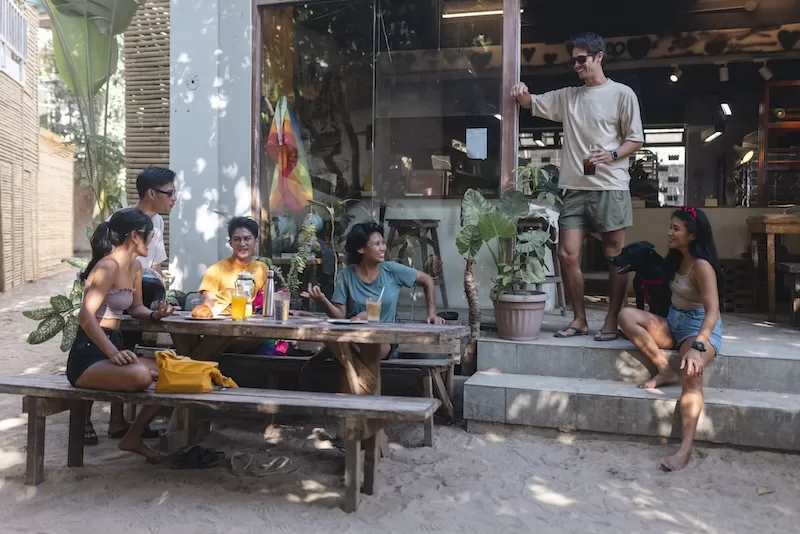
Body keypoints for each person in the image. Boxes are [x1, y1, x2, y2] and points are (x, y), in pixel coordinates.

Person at [511, 32, 644, 342]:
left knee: (616, 256)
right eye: (573, 60)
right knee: (567, 254)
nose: (576, 65)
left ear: (599, 57)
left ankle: (613, 319)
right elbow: (532, 102)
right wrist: (521, 91)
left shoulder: (622, 94)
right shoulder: (569, 96)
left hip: (611, 186)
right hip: (573, 187)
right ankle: (580, 319)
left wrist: (611, 155)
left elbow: (635, 139)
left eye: (581, 59)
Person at [618, 207, 723, 471]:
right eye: (671, 227)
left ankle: (685, 449)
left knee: (691, 372)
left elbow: (713, 313)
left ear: (692, 235)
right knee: (627, 316)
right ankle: (665, 370)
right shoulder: (675, 259)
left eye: (676, 228)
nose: (670, 233)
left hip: (697, 327)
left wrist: (699, 346)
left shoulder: (702, 267)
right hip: (673, 322)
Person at [68, 208, 176, 461]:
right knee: (142, 376)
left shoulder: (135, 267)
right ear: (135, 236)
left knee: (172, 371)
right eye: (150, 235)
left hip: (113, 348)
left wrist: (155, 315)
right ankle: (129, 432)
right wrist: (113, 353)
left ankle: (132, 437)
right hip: (89, 355)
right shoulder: (107, 266)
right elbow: (85, 316)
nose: (153, 240)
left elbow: (135, 307)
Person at [87, 167, 177, 445]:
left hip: (136, 296)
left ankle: (121, 425)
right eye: (170, 193)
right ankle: (85, 417)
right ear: (152, 193)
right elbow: (89, 308)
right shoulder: (121, 224)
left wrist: (158, 304)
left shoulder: (155, 227)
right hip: (108, 305)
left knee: (142, 355)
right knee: (117, 357)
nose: (174, 198)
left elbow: (156, 264)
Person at [302, 221, 445, 393]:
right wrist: (323, 300)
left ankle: (326, 364)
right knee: (340, 341)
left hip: (383, 339)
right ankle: (364, 401)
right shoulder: (346, 276)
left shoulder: (391, 270)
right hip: (353, 336)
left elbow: (427, 280)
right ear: (361, 249)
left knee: (360, 347)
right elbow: (340, 317)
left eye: (383, 243)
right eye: (377, 244)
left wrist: (432, 314)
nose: (383, 248)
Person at [199, 216, 269, 309]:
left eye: (247, 239)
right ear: (230, 243)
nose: (242, 244)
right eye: (237, 239)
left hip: (255, 322)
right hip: (223, 322)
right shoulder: (215, 270)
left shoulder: (262, 269)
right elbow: (207, 305)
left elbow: (266, 303)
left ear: (256, 242)